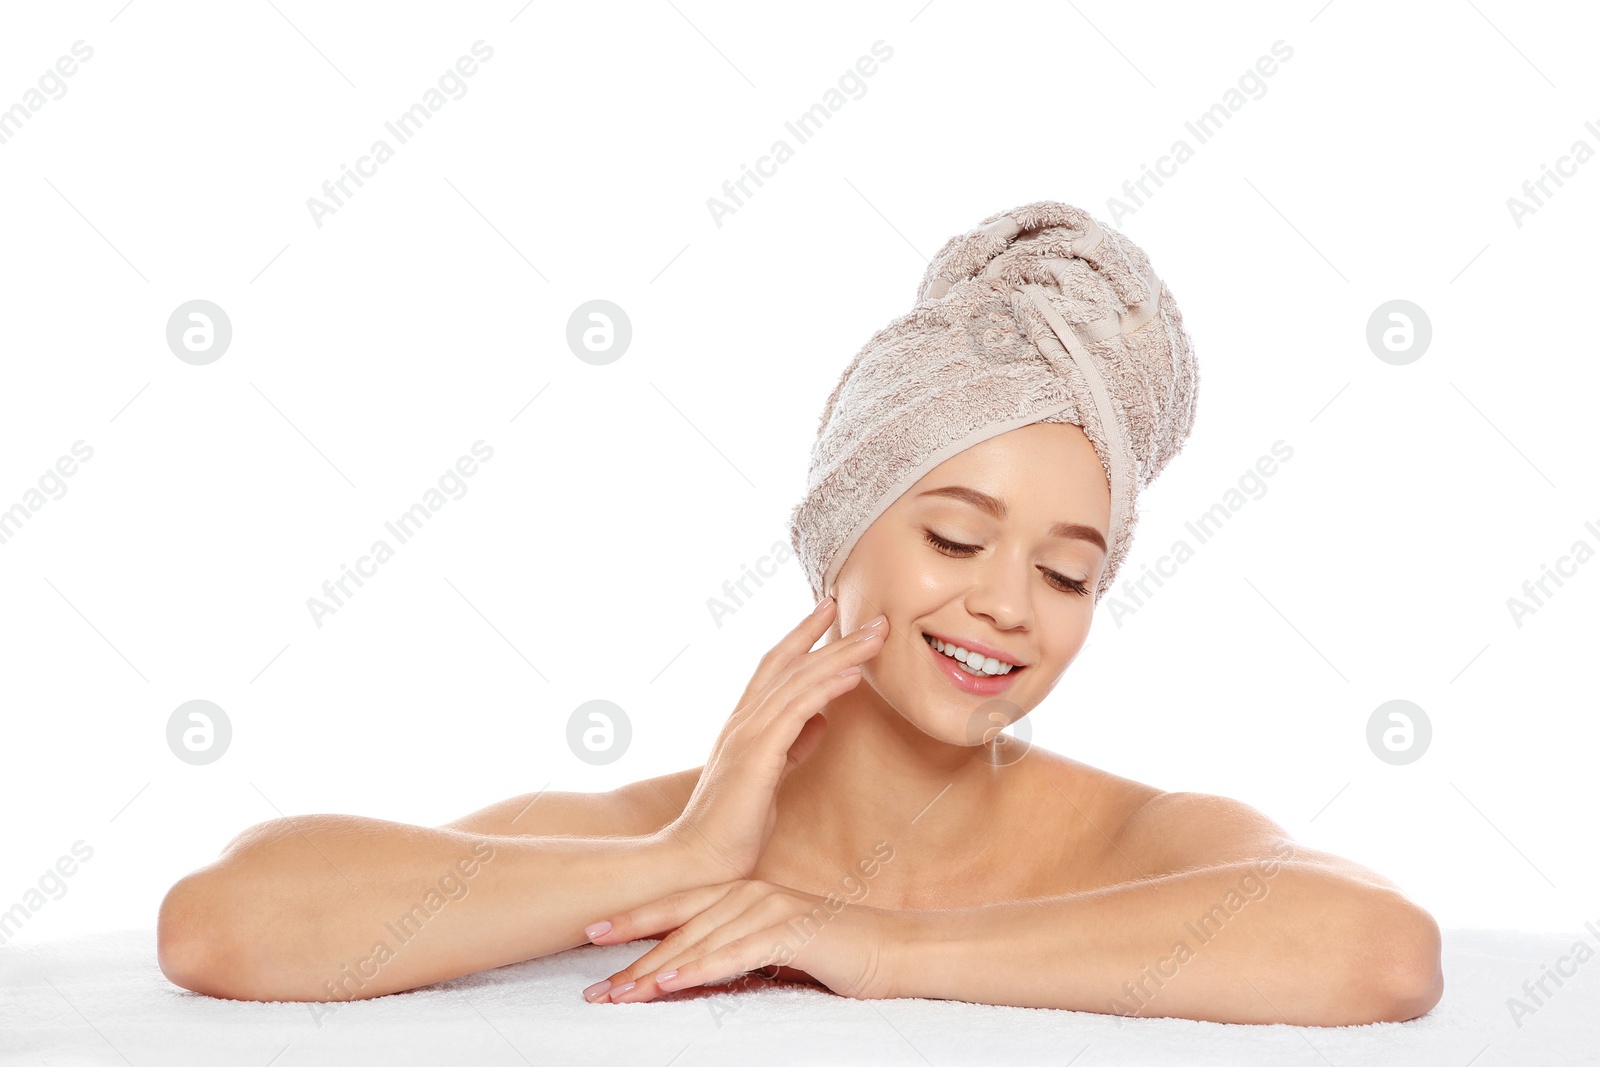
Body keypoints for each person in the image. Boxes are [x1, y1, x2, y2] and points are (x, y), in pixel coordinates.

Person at [156, 202, 1443, 1026]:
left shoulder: (1135, 835)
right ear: (843, 528)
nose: (1005, 603)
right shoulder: (643, 832)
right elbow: (221, 919)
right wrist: (678, 860)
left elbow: (1382, 952)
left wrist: (875, 945)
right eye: (954, 533)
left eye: (1068, 572)